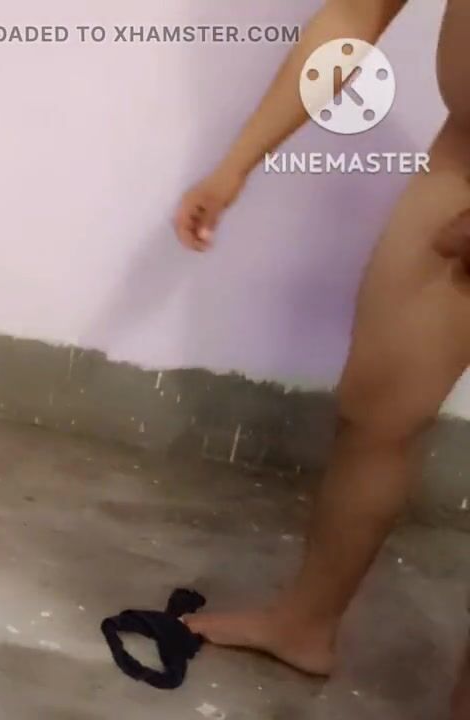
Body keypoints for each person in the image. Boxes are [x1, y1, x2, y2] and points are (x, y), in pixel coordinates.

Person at [173, 0, 470, 714]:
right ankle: (304, 624)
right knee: (377, 407)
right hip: (462, 164)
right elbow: (351, 19)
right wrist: (236, 166)